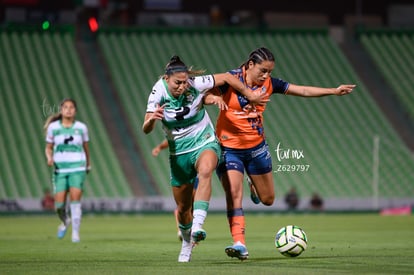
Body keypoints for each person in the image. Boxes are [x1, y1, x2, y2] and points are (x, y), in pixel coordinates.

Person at [208, 47, 355, 260]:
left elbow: (302, 90)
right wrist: (213, 100)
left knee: (267, 199)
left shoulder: (270, 84)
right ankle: (239, 243)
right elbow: (204, 96)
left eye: (269, 71)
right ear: (250, 65)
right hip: (229, 149)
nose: (266, 76)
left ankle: (254, 186)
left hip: (257, 149)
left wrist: (333, 90)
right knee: (233, 194)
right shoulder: (230, 80)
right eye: (263, 70)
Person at [142, 55, 257, 262]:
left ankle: (198, 226)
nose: (183, 86)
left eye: (185, 81)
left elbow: (228, 78)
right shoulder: (158, 91)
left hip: (204, 141)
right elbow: (146, 129)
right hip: (178, 153)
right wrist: (151, 119)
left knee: (206, 171)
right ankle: (187, 243)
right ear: (167, 79)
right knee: (183, 208)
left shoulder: (196, 83)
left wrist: (248, 93)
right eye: (178, 82)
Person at [44, 98, 91, 243]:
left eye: (71, 107)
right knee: (59, 205)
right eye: (66, 107)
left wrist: (88, 165)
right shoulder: (53, 128)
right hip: (60, 170)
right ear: (61, 110)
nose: (69, 109)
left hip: (78, 167)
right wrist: (49, 157)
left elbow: (86, 148)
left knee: (75, 200)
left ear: (75, 110)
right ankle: (65, 221)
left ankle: (75, 234)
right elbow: (48, 147)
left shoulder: (81, 127)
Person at [152, 139, 198, 241]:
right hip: (181, 168)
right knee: (184, 204)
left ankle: (192, 230)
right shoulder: (179, 131)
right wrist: (159, 147)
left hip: (195, 167)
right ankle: (183, 231)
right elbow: (171, 139)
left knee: (194, 203)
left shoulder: (195, 130)